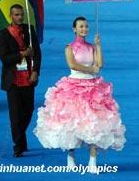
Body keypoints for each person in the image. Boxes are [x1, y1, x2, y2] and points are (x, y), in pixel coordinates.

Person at [34, 16, 125, 172]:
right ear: (74, 29)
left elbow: (99, 64)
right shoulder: (69, 47)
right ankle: (70, 157)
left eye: (86, 26)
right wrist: (91, 70)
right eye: (81, 26)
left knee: (95, 124)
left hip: (93, 89)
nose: (84, 29)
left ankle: (92, 162)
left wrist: (98, 46)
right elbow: (73, 65)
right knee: (72, 124)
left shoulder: (91, 47)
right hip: (73, 88)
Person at [0, 4, 41, 158]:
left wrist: (36, 72)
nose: (20, 17)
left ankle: (21, 139)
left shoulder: (30, 30)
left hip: (29, 78)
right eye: (16, 15)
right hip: (13, 80)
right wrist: (22, 54)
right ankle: (18, 146)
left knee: (28, 112)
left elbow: (37, 54)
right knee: (15, 115)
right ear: (11, 16)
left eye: (21, 14)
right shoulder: (3, 34)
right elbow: (5, 58)